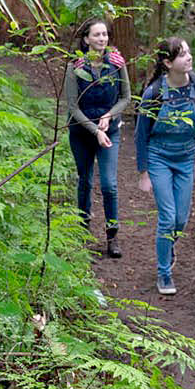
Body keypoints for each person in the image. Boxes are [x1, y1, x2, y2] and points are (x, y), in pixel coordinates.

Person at [135, 37, 195, 295]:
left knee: (181, 219)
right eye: (181, 54)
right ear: (168, 63)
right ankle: (164, 273)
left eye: (188, 52)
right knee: (167, 218)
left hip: (186, 157)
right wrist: (144, 172)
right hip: (160, 158)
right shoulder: (153, 93)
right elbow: (141, 133)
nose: (188, 57)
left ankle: (168, 247)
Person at [63, 19, 131, 258]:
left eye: (105, 35)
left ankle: (112, 236)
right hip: (82, 132)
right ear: (86, 39)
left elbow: (126, 97)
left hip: (109, 131)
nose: (102, 39)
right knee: (85, 181)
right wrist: (95, 130)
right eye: (97, 35)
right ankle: (83, 233)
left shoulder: (117, 64)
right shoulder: (75, 67)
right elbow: (72, 107)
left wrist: (110, 116)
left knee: (109, 185)